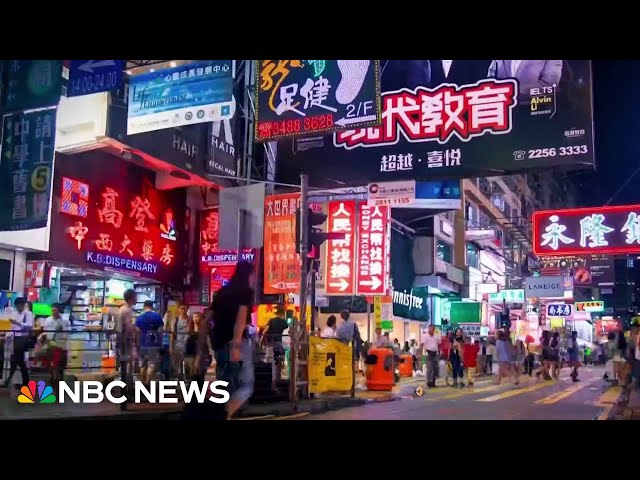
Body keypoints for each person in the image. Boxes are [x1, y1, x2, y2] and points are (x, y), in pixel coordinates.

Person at [211, 260, 256, 420]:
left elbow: (208, 319)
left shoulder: (222, 292)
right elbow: (241, 319)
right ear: (248, 275)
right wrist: (236, 345)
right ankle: (224, 415)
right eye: (253, 275)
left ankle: (215, 413)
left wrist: (201, 348)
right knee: (246, 386)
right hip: (234, 344)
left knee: (224, 384)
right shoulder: (245, 293)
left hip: (218, 342)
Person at [2, 298, 35, 389]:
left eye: (21, 305)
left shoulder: (28, 314)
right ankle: (23, 381)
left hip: (23, 339)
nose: (19, 307)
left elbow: (28, 326)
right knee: (18, 360)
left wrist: (17, 323)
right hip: (15, 339)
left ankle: (11, 380)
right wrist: (7, 336)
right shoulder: (15, 314)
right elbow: (13, 328)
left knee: (17, 360)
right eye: (17, 305)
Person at [114, 289, 137, 403]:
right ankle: (125, 394)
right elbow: (122, 327)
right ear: (131, 298)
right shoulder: (124, 310)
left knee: (128, 369)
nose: (137, 299)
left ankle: (128, 392)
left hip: (127, 342)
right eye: (135, 296)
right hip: (124, 343)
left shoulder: (127, 310)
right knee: (125, 369)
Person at [487, 60, 563, 94]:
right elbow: (489, 83)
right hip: (504, 114)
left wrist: (512, 90)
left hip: (535, 111)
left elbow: (550, 85)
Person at [134, 300, 164, 385]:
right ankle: (147, 382)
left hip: (142, 343)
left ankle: (142, 382)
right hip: (154, 343)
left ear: (144, 306)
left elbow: (137, 330)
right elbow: (161, 330)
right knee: (152, 364)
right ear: (152, 306)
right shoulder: (157, 316)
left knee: (142, 364)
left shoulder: (140, 317)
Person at [167, 303, 193, 379]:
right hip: (178, 343)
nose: (183, 310)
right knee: (177, 363)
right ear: (178, 309)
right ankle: (179, 378)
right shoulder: (175, 319)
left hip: (188, 344)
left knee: (187, 363)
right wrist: (171, 347)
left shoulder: (190, 319)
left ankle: (187, 379)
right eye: (181, 308)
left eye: (185, 308)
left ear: (187, 309)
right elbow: (172, 333)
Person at [421, 324, 440, 389]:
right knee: (429, 368)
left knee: (435, 368)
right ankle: (428, 382)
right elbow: (422, 345)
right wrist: (421, 353)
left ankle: (433, 382)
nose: (432, 330)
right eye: (431, 328)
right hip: (428, 353)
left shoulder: (436, 336)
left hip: (435, 353)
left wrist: (440, 352)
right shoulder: (425, 336)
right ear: (429, 328)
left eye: (433, 328)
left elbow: (438, 344)